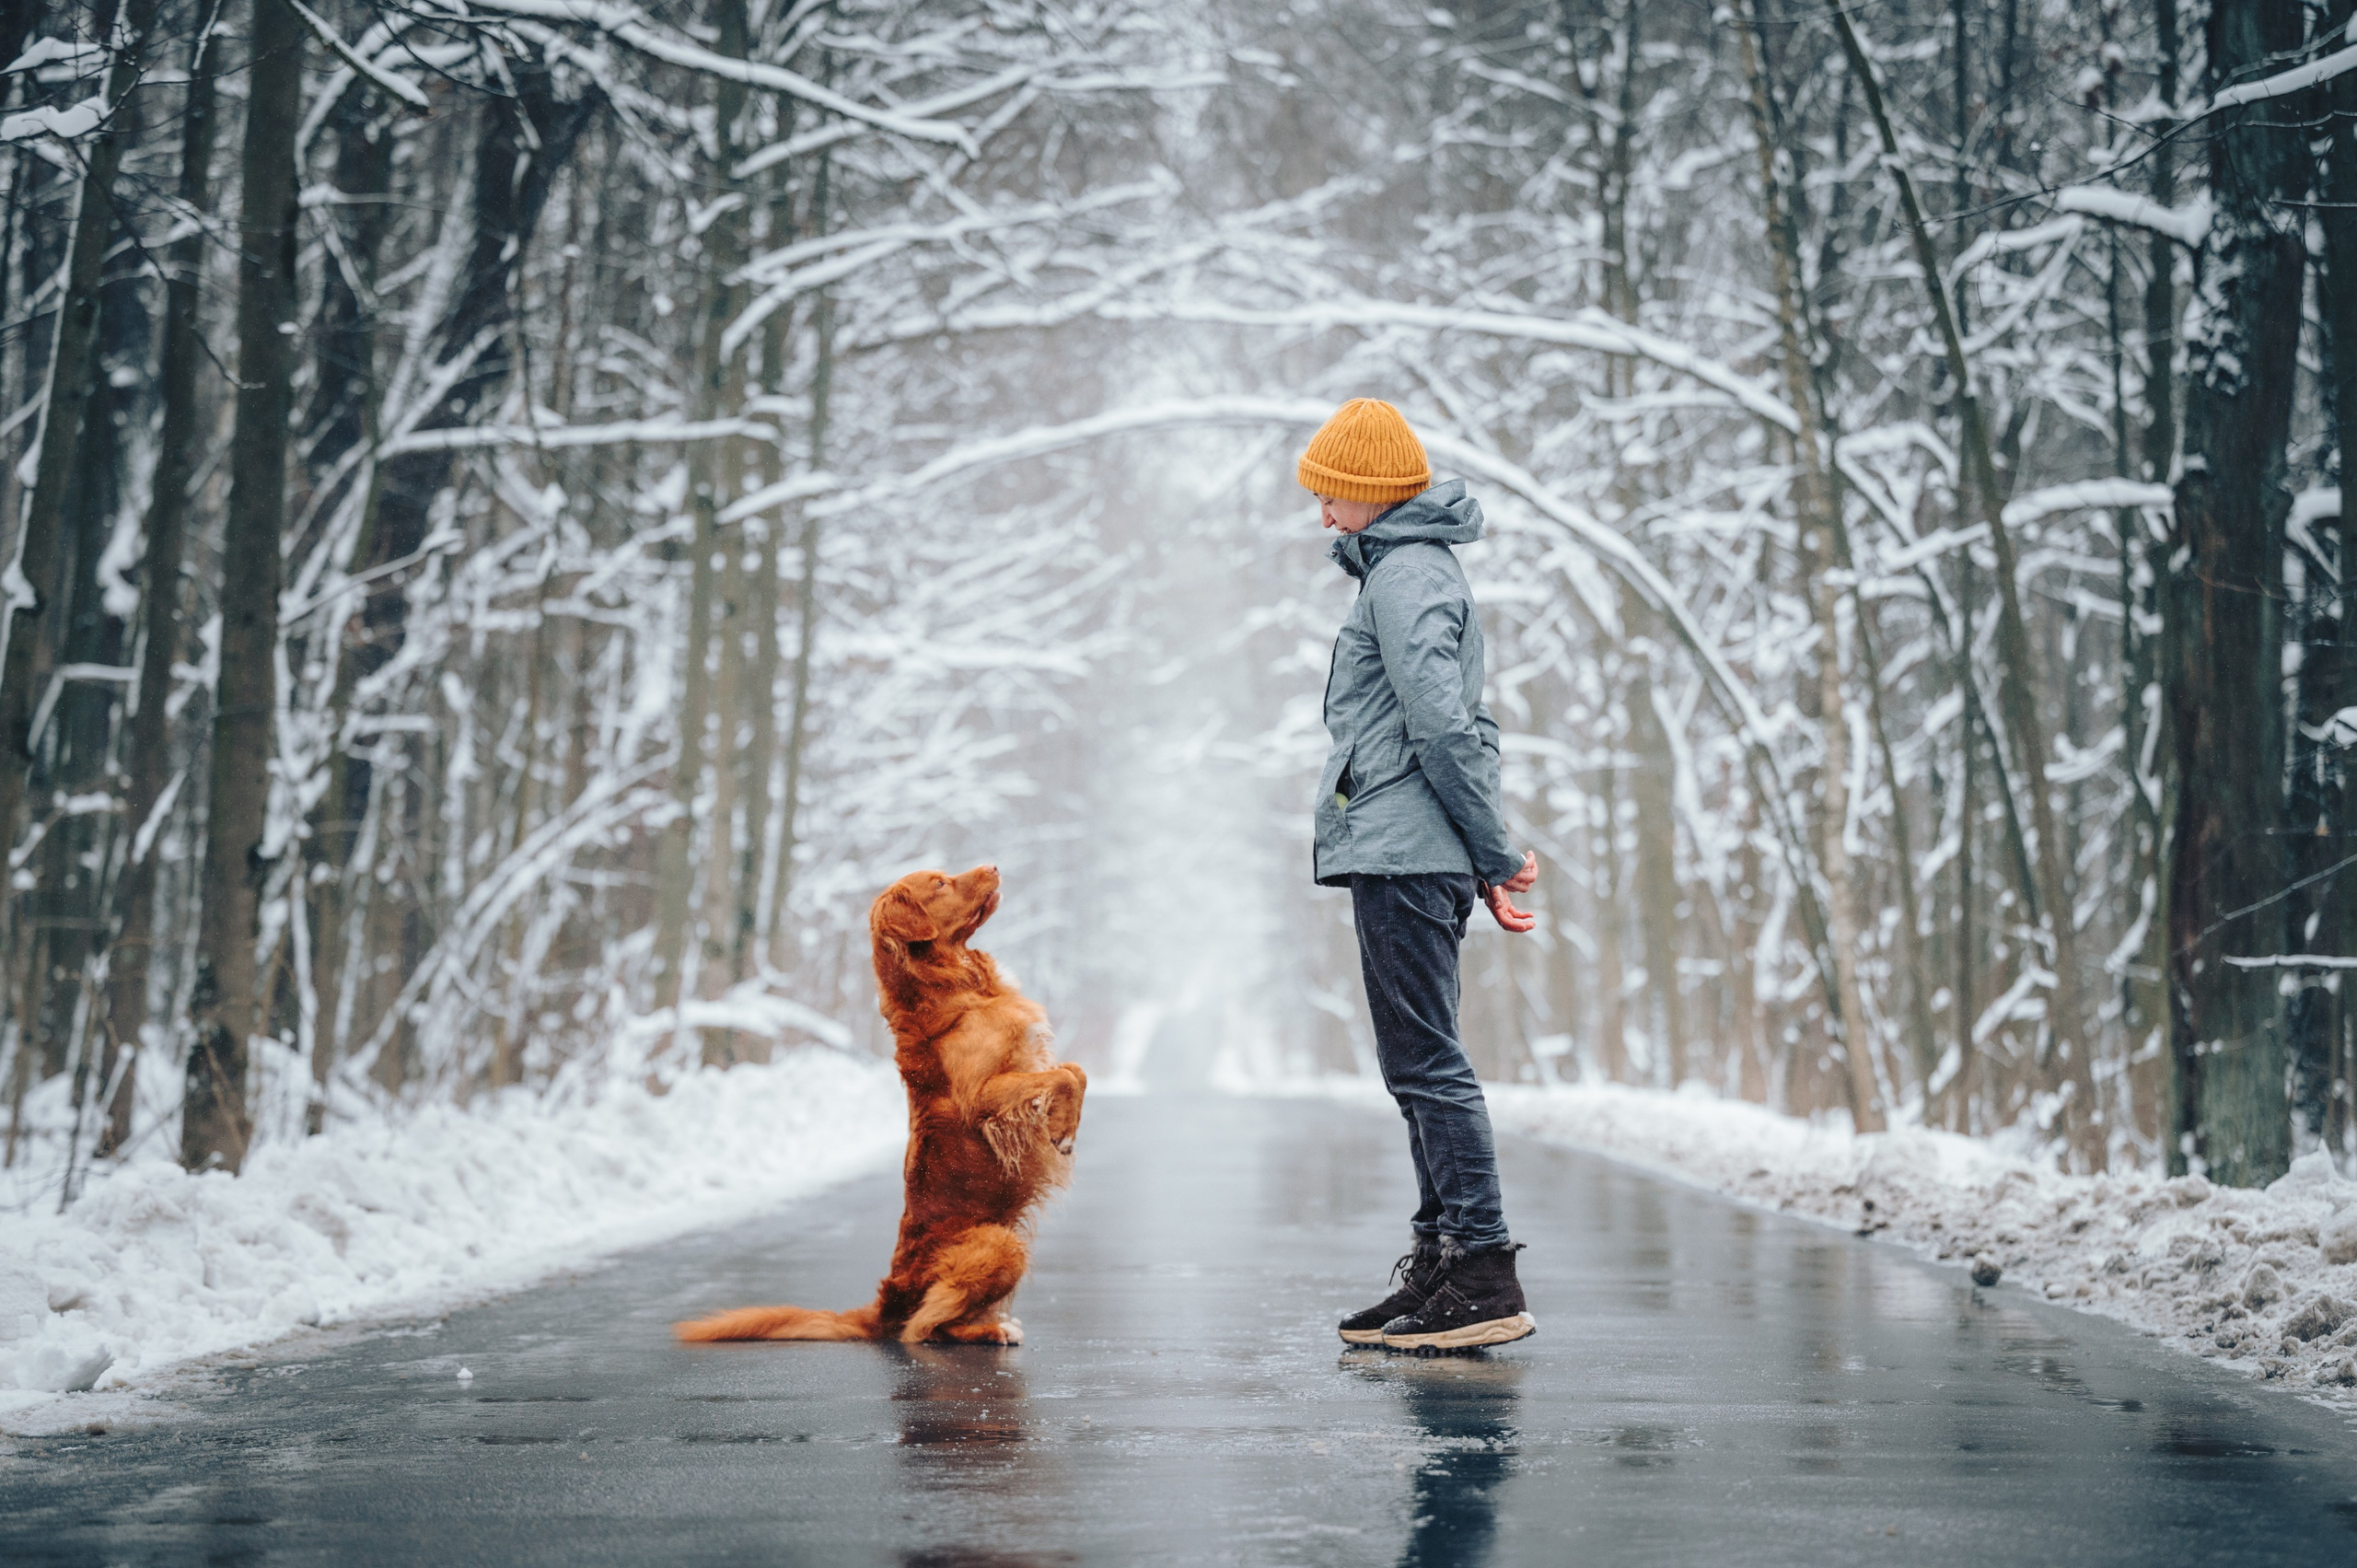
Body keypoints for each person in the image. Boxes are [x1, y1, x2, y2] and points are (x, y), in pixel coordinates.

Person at [1302, 398, 1541, 1353]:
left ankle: (1480, 1270)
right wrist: (1478, 855)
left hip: (1408, 851)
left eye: (1330, 495)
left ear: (1368, 493)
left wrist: (1491, 851)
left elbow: (1442, 729)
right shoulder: (1401, 571)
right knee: (1417, 1064)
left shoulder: (1404, 576)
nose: (1321, 513)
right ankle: (1444, 1264)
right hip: (1408, 845)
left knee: (1427, 1065)